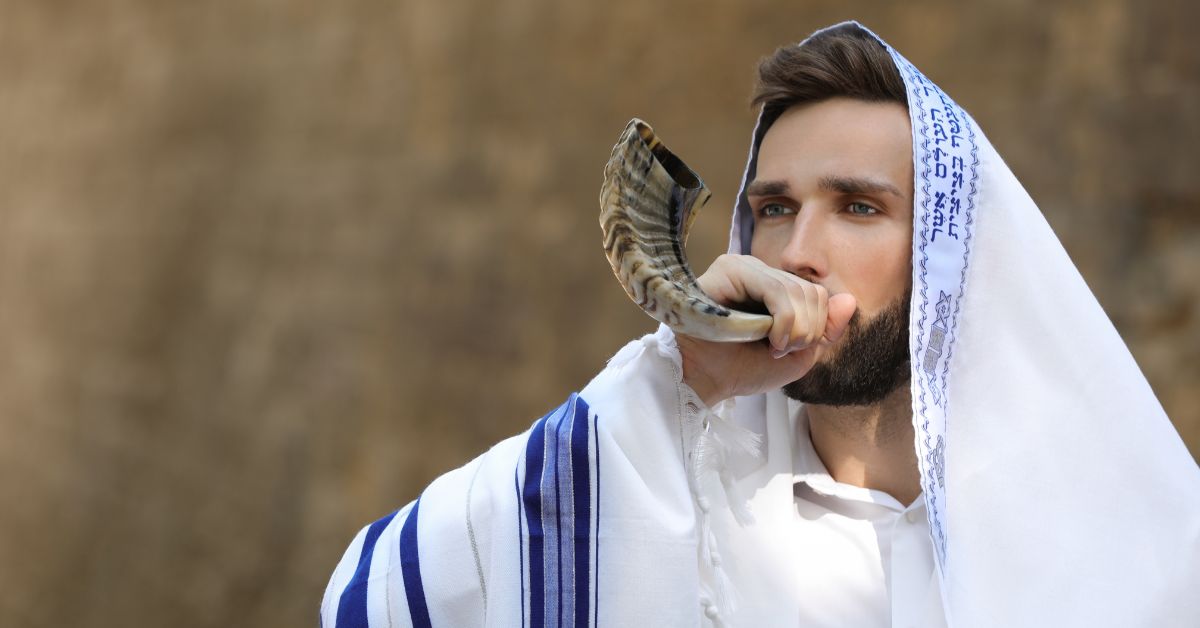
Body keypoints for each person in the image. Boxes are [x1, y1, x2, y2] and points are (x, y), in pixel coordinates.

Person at [321, 22, 1200, 628]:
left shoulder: (1109, 536)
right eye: (774, 209)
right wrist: (681, 378)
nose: (800, 251)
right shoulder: (672, 483)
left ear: (951, 255)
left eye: (858, 206)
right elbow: (374, 600)